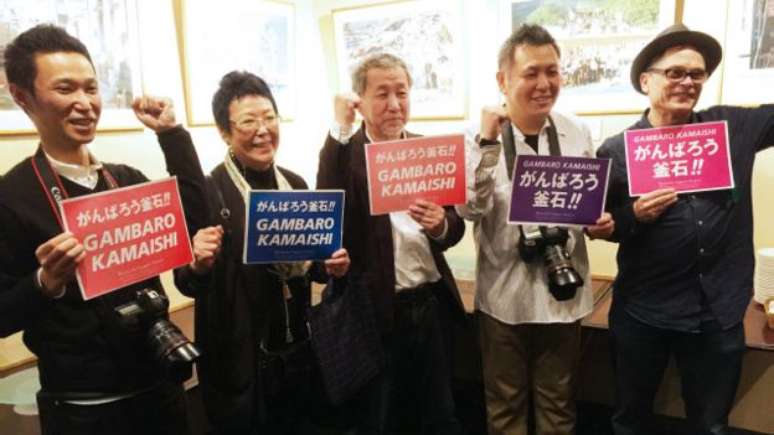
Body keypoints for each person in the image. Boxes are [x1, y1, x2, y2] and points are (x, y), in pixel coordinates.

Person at [0, 24, 207, 435]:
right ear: (23, 98)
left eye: (91, 88)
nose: (84, 103)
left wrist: (171, 134)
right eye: (65, 89)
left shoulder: (125, 179)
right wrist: (46, 282)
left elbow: (195, 215)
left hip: (158, 384)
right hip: (84, 406)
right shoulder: (12, 197)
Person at [134, 71, 350, 435]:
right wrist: (199, 266)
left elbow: (311, 267)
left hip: (297, 353)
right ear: (225, 132)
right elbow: (186, 282)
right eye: (249, 121)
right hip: (239, 365)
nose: (263, 129)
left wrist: (332, 267)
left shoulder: (294, 185)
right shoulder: (210, 192)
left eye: (269, 117)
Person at [596, 23, 774, 435]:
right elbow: (600, 226)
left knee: (712, 425)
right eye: (674, 72)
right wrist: (632, 216)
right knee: (630, 419)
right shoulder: (617, 150)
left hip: (720, 309)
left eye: (696, 74)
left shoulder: (731, 129)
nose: (687, 82)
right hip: (644, 310)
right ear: (646, 81)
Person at [456, 24, 614, 435]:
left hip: (563, 296)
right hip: (504, 300)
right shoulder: (476, 138)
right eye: (531, 73)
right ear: (503, 80)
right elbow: (469, 209)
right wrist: (488, 143)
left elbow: (588, 208)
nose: (544, 84)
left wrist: (600, 222)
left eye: (553, 71)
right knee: (505, 408)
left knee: (558, 407)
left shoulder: (576, 131)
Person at [317, 53, 465, 434]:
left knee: (439, 414)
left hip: (430, 302)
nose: (395, 104)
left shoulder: (426, 149)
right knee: (380, 418)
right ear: (359, 101)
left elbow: (455, 228)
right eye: (382, 94)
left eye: (402, 92)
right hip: (375, 308)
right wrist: (340, 127)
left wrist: (440, 226)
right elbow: (327, 208)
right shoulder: (344, 154)